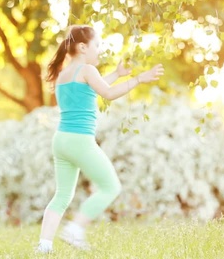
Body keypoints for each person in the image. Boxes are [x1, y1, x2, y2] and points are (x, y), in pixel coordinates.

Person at [36, 25, 164, 254]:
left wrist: (117, 74)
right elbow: (108, 93)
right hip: (79, 141)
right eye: (98, 45)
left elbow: (92, 88)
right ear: (83, 47)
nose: (99, 51)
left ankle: (44, 246)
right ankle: (75, 229)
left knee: (62, 194)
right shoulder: (87, 69)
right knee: (110, 186)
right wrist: (138, 79)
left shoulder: (64, 74)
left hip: (61, 140)